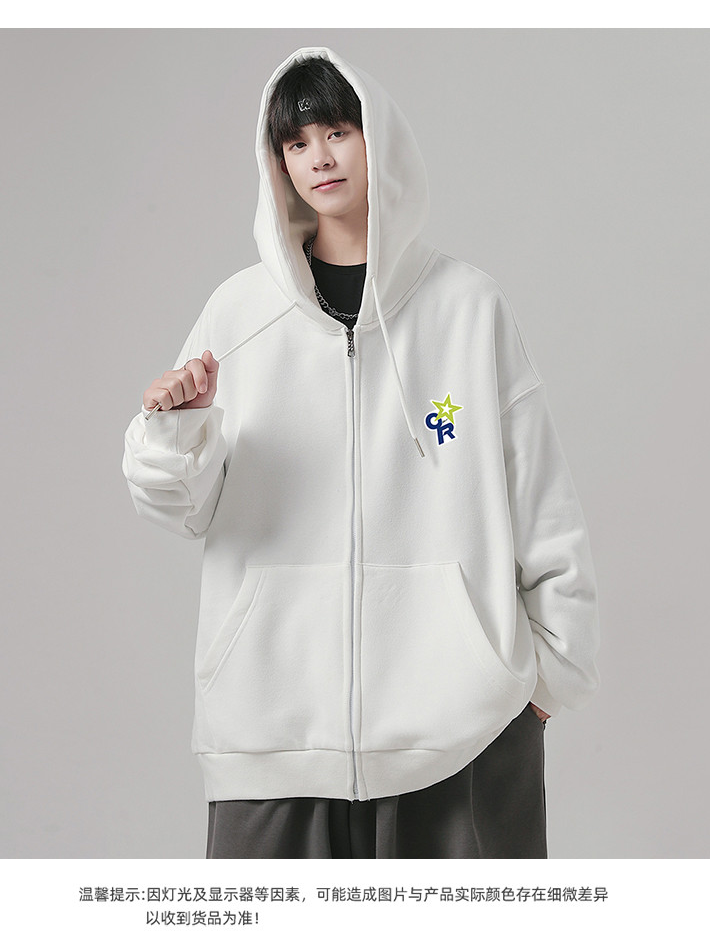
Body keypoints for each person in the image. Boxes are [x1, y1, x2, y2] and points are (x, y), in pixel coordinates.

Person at [122, 47, 599, 859]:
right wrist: (178, 428)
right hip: (271, 739)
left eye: (338, 132)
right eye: (297, 142)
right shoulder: (238, 314)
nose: (320, 157)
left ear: (380, 140)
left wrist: (548, 682)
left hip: (465, 735)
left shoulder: (467, 309)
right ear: (278, 162)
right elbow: (178, 507)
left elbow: (542, 505)